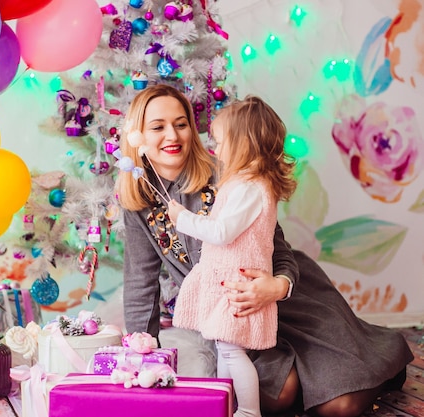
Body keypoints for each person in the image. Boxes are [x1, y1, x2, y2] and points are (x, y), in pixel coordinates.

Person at [116, 84, 413, 417]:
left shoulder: (231, 171)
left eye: (181, 123)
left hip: (289, 299)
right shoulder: (140, 203)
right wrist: (141, 353)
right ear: (138, 135)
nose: (172, 134)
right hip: (234, 314)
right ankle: (306, 383)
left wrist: (277, 286)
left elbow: (280, 251)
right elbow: (142, 282)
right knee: (275, 395)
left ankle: (378, 357)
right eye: (157, 126)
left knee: (340, 407)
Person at [164, 95, 297, 417]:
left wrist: (184, 220)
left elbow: (223, 232)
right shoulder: (242, 183)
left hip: (237, 285)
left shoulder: (250, 187)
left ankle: (249, 411)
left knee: (231, 351)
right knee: (226, 348)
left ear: (244, 145)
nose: (216, 149)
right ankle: (228, 406)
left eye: (222, 142)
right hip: (227, 280)